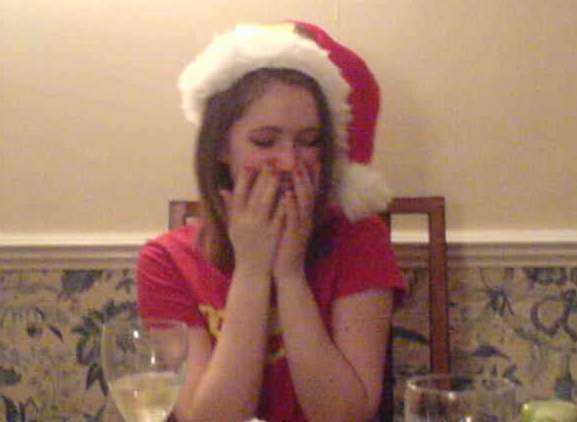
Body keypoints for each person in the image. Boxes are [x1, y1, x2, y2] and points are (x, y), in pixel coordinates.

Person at [136, 21, 406, 422]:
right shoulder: (166, 260)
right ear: (221, 148)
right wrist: (251, 271)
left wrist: (290, 274)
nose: (289, 161)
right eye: (265, 141)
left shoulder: (360, 238)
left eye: (309, 139)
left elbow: (345, 415)